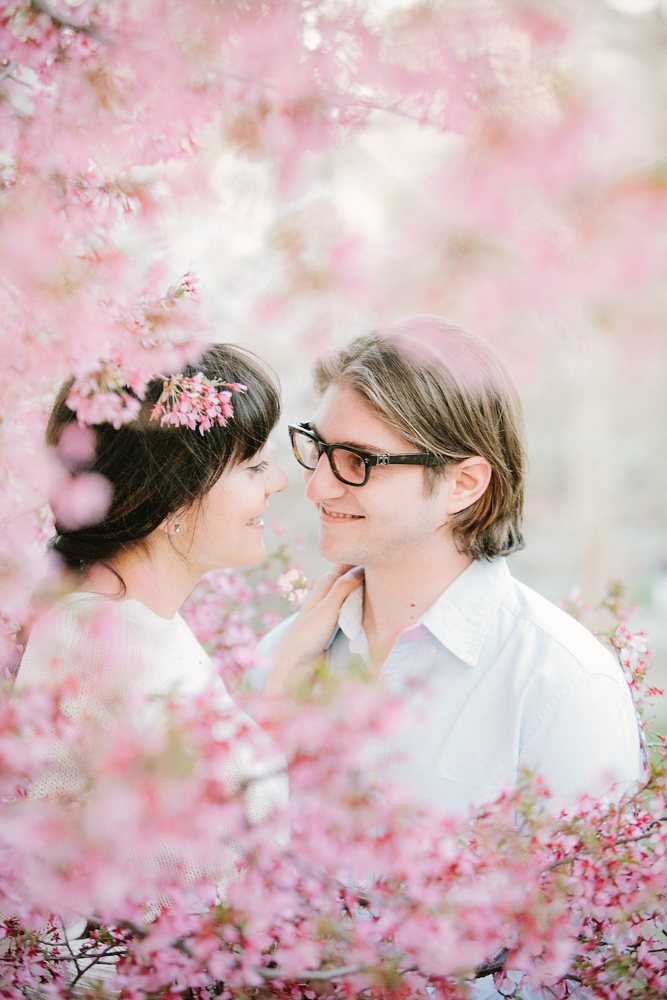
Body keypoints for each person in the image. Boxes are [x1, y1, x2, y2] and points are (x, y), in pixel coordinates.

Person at [259, 316, 644, 814]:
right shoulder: (285, 655)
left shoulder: (563, 686)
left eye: (359, 461)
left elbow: (578, 887)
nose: (317, 487)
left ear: (463, 485)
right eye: (320, 448)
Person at [14, 344, 290, 892]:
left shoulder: (125, 625)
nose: (279, 480)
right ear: (175, 498)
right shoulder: (108, 646)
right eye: (254, 466)